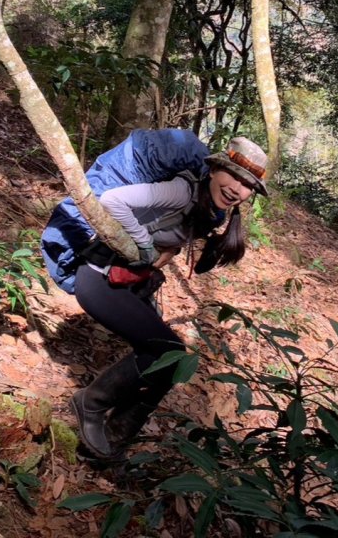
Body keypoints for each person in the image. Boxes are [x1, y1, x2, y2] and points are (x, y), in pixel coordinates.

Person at [40, 129, 269, 460]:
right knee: (168, 350)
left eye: (248, 185)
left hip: (123, 283)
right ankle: (90, 405)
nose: (238, 189)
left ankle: (117, 435)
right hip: (99, 275)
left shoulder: (209, 211)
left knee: (173, 360)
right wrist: (143, 245)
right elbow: (112, 201)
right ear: (214, 170)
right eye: (233, 176)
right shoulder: (182, 189)